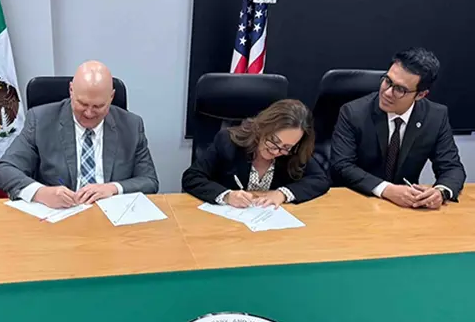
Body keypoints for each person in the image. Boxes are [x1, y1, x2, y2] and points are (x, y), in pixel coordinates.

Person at [0, 60, 158, 208]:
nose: (89, 113)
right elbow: (5, 170)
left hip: (111, 216)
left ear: (111, 97)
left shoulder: (131, 126)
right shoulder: (40, 120)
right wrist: (41, 193)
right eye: (82, 104)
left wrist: (113, 188)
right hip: (58, 217)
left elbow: (149, 181)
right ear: (71, 90)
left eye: (98, 106)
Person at [331, 47, 465, 209]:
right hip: (358, 201)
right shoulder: (353, 112)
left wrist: (440, 192)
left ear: (421, 95)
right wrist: (386, 189)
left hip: (407, 208)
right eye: (387, 81)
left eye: (400, 89)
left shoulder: (435, 116)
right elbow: (342, 166)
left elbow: (452, 168)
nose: (387, 92)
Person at [182, 99, 329, 208]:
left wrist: (283, 194)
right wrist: (227, 196)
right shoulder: (228, 142)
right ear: (262, 128)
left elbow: (320, 179)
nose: (275, 151)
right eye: (273, 141)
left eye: (285, 147)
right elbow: (192, 177)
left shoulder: (293, 152)